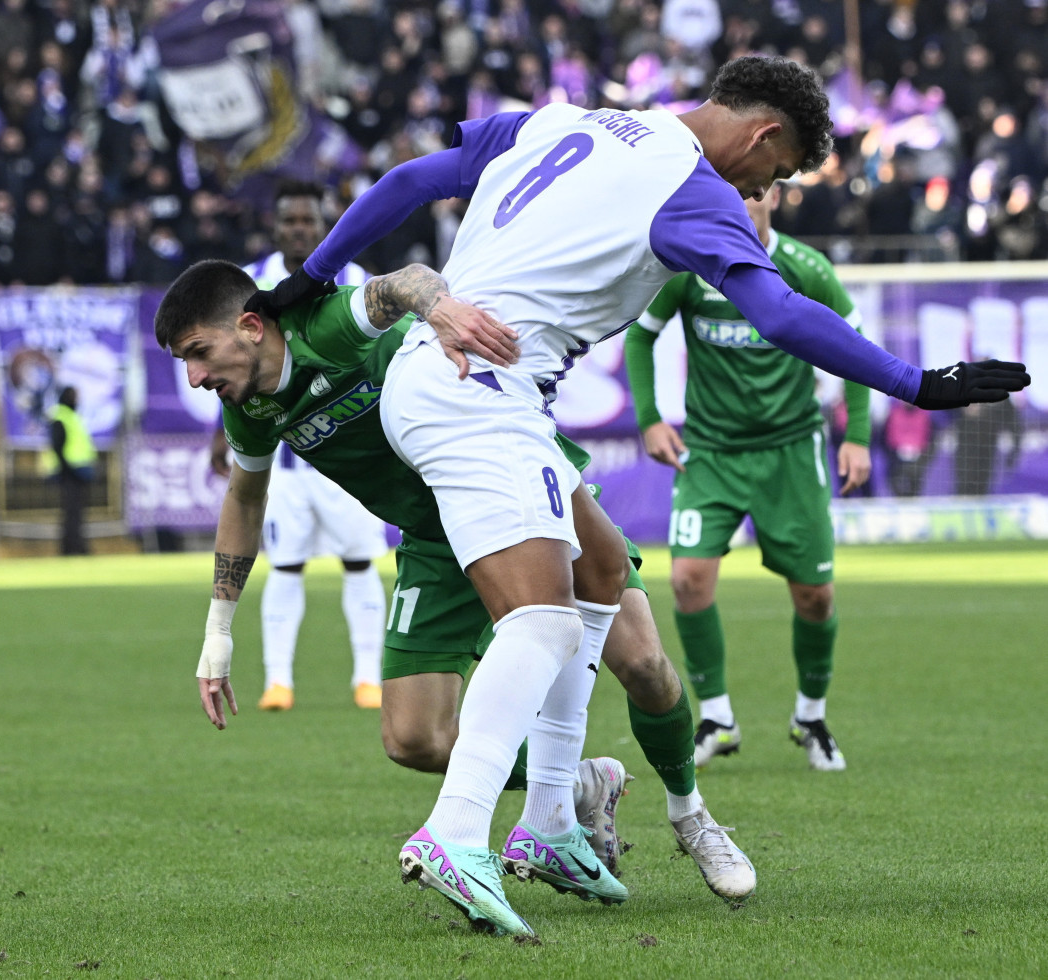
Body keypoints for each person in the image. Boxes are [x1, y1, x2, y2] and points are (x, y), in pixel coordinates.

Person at [248, 55, 1031, 937]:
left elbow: (411, 180)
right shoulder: (690, 191)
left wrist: (311, 275)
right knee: (540, 622)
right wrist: (915, 384)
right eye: (770, 175)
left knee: (603, 572)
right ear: (764, 134)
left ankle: (548, 823)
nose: (756, 191)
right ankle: (456, 831)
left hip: (458, 381)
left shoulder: (564, 120)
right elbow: (779, 316)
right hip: (479, 390)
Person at [161, 258, 757, 932]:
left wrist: (438, 307)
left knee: (645, 666)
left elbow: (401, 285)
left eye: (198, 353)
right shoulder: (251, 409)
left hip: (511, 483)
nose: (195, 377)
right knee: (413, 737)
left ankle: (691, 814)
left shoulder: (325, 330)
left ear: (248, 326)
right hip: (435, 537)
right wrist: (219, 631)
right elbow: (244, 499)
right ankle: (581, 786)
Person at [624, 183, 870, 773]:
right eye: (730, 200)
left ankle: (810, 716)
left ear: (774, 199)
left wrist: (857, 433)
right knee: (686, 579)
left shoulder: (805, 269)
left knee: (815, 594)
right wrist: (651, 420)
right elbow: (640, 335)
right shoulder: (689, 270)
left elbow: (855, 346)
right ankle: (717, 718)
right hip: (710, 451)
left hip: (791, 450)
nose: (741, 209)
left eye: (753, 197)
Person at [212, 179, 388, 712]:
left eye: (308, 221)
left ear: (324, 223)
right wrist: (215, 437)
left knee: (360, 564)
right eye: (290, 221)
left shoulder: (355, 279)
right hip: (286, 462)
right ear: (276, 225)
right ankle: (279, 682)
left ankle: (367, 678)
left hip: (350, 459)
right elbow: (230, 370)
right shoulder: (252, 285)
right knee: (284, 566)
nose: (299, 230)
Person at [41, 385, 96, 556]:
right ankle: (73, 547)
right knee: (72, 513)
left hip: (76, 472)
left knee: (75, 513)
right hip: (69, 472)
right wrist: (68, 469)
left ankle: (74, 546)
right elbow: (58, 446)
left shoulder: (70, 416)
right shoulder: (61, 416)